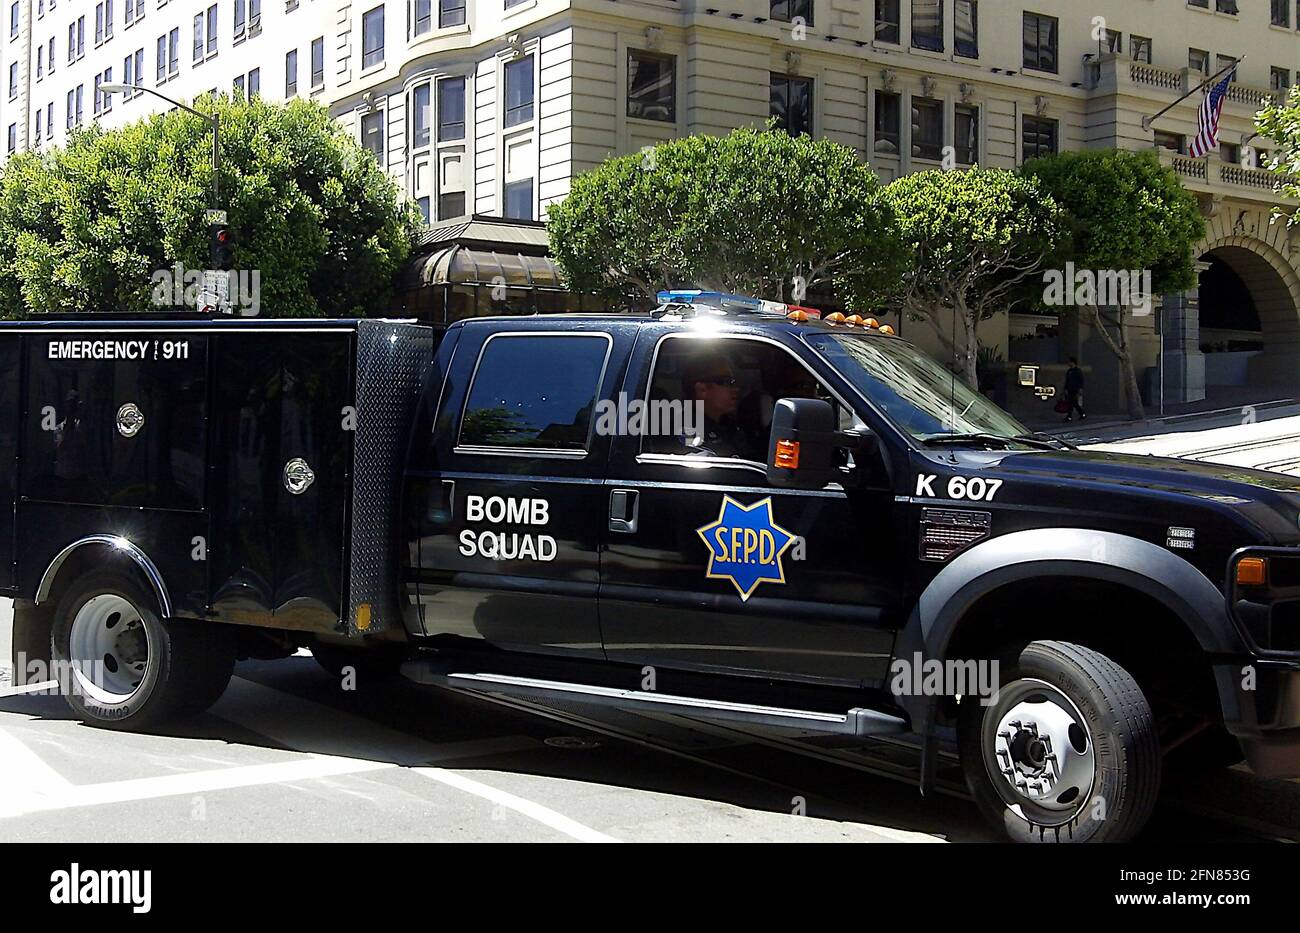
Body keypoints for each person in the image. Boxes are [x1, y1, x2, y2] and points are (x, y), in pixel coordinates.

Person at [680, 354, 757, 460]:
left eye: (734, 382)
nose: (736, 389)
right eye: (727, 382)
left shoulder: (728, 425)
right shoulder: (687, 430)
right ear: (702, 390)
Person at [1064, 357, 1086, 422]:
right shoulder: (1069, 371)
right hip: (1069, 389)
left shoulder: (1078, 371)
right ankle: (1082, 413)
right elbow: (1067, 381)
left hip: (1075, 389)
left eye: (1069, 362)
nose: (1068, 363)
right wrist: (1065, 388)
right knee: (1074, 403)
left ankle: (1069, 416)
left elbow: (1081, 380)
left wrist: (1080, 388)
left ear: (1073, 362)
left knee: (1071, 402)